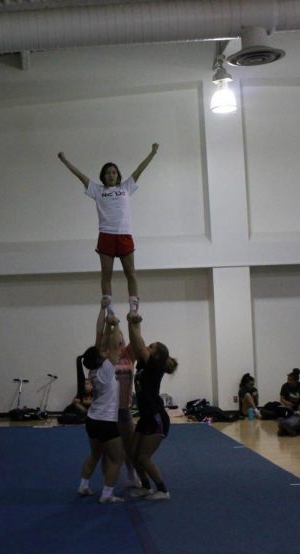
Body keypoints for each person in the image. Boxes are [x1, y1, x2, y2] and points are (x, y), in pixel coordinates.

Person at [57, 144, 159, 316]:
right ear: (103, 176)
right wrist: (65, 161)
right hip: (106, 234)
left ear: (118, 175)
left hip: (124, 234)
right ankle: (109, 308)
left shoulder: (125, 187)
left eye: (113, 172)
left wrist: (152, 153)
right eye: (107, 173)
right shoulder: (97, 190)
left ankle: (133, 307)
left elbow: (140, 169)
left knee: (131, 273)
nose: (111, 175)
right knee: (106, 274)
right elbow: (80, 176)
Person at [126, 311, 177, 500]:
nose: (145, 347)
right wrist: (134, 323)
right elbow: (137, 342)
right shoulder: (143, 364)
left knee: (143, 457)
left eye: (150, 347)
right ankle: (146, 487)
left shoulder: (154, 365)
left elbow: (138, 342)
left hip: (157, 417)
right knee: (132, 453)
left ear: (155, 355)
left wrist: (133, 324)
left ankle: (163, 490)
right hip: (146, 417)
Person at [77, 313, 126, 503]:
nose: (105, 352)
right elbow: (113, 346)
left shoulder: (93, 369)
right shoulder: (106, 368)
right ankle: (107, 494)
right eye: (102, 353)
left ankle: (83, 485)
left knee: (95, 454)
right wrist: (115, 325)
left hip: (93, 420)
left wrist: (108, 325)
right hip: (106, 421)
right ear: (100, 358)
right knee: (117, 459)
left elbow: (103, 346)